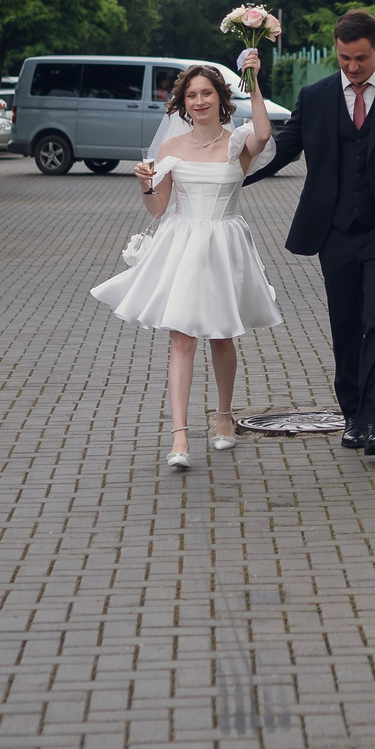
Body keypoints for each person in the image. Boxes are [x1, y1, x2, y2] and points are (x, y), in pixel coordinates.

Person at [243, 11, 375, 461]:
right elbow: (283, 151)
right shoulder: (316, 95)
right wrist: (230, 179)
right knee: (346, 326)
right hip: (335, 231)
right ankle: (352, 415)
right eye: (344, 58)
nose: (352, 67)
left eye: (360, 58)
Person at [89, 58, 281, 473]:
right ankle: (180, 434)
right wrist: (144, 184)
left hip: (224, 243)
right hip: (182, 243)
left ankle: (225, 416)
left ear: (220, 98)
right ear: (182, 102)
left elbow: (265, 134)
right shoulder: (170, 149)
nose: (199, 101)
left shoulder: (238, 142)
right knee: (182, 339)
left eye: (206, 93)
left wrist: (255, 81)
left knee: (222, 336)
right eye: (191, 95)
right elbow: (159, 210)